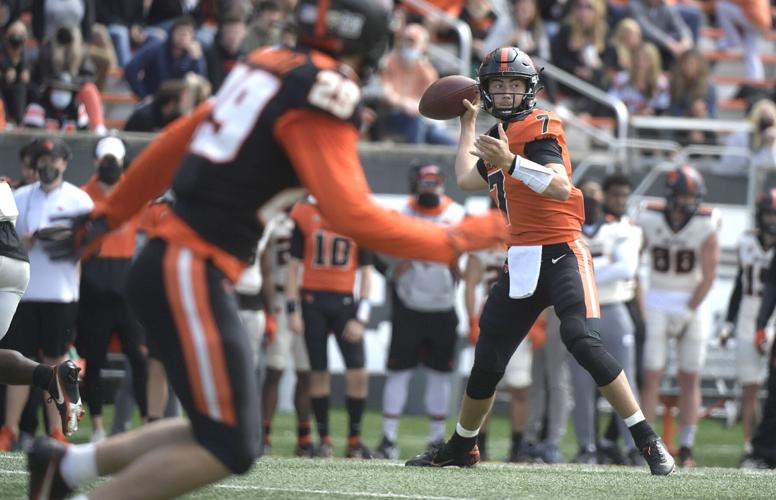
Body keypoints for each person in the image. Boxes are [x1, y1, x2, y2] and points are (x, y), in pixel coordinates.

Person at [27, 2, 505, 498]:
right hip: (188, 265)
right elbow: (352, 215)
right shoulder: (325, 90)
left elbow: (181, 136)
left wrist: (113, 213)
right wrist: (463, 237)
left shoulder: (269, 61)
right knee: (230, 445)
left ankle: (65, 466)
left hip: (181, 263)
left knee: (228, 430)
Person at [405, 45, 675, 476]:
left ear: (529, 90)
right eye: (500, 85)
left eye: (515, 85)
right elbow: (462, 178)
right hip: (523, 257)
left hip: (564, 249)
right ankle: (462, 446)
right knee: (489, 358)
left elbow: (560, 186)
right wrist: (468, 125)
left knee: (582, 340)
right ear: (487, 90)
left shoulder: (540, 127)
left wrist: (510, 161)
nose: (508, 93)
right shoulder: (497, 139)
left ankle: (647, 440)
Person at [0, 137, 92, 452]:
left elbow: (93, 240)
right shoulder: (20, 194)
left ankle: (55, 430)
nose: (48, 165)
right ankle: (10, 428)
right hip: (23, 286)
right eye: (42, 160)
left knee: (51, 357)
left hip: (60, 292)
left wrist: (71, 241)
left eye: (54, 160)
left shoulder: (79, 199)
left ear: (65, 164)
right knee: (17, 360)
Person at [373, 164, 465, 460]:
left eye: (435, 182)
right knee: (399, 371)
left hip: (442, 304)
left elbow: (471, 253)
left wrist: (460, 267)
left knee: (440, 374)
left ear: (443, 185)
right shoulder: (401, 213)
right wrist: (390, 269)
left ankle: (436, 439)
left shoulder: (457, 214)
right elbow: (375, 247)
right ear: (416, 185)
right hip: (408, 304)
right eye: (425, 183)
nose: (430, 188)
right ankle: (388, 437)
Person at [636, 165, 720, 468]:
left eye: (692, 197)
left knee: (689, 376)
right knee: (652, 375)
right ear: (671, 196)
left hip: (693, 303)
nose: (689, 203)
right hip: (657, 299)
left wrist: (688, 309)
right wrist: (641, 301)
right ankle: (646, 445)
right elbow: (635, 259)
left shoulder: (707, 224)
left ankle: (686, 447)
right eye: (684, 196)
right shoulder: (648, 217)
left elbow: (709, 275)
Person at [287, 197, 374, 458]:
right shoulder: (305, 214)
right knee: (318, 371)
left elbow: (367, 271)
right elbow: (293, 267)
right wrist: (293, 309)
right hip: (312, 301)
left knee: (358, 371)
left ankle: (354, 439)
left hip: (345, 303)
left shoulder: (356, 215)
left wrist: (362, 316)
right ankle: (324, 438)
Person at [75, 136, 148, 443]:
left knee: (140, 358)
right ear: (96, 162)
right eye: (105, 160)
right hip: (94, 288)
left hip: (127, 289)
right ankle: (97, 428)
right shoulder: (81, 196)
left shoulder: (134, 192)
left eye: (115, 161)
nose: (110, 166)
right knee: (93, 360)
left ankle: (148, 424)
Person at [570, 179, 644, 466]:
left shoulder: (622, 229)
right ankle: (587, 446)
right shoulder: (569, 229)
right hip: (580, 310)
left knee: (624, 379)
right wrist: (602, 266)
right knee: (581, 383)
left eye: (594, 195)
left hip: (613, 307)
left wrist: (585, 270)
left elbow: (626, 268)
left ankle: (636, 445)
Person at [464, 240, 536, 463]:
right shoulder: (481, 245)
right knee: (484, 385)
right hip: (491, 317)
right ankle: (478, 444)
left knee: (520, 388)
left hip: (521, 316)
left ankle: (517, 446)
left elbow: (543, 284)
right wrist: (472, 320)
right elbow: (470, 284)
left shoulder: (529, 238)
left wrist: (539, 322)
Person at [720, 189, 776, 460]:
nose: (772, 219)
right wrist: (729, 323)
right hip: (748, 315)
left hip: (773, 313)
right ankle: (750, 445)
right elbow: (740, 286)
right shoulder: (746, 242)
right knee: (750, 385)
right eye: (769, 213)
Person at [261, 209, 313, 457]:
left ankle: (304, 438)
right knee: (275, 369)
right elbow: (266, 267)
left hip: (310, 300)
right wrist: (270, 306)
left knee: (307, 373)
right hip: (283, 299)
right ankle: (264, 435)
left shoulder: (312, 217)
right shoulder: (275, 221)